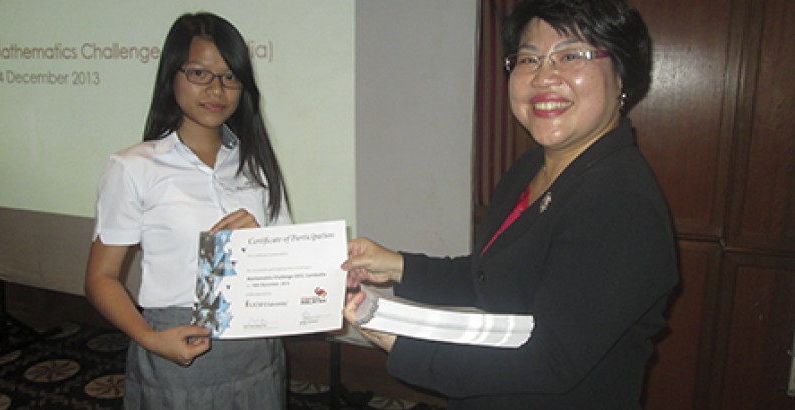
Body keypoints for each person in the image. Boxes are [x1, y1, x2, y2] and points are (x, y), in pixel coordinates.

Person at [341, 0, 677, 408]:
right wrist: (395, 265)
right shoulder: (534, 165)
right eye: (529, 59)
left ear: (622, 74)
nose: (544, 77)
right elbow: (495, 277)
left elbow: (547, 361)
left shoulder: (620, 204)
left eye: (571, 55)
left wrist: (397, 340)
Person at [85, 12, 291, 410]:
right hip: (174, 345)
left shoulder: (256, 165)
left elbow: (286, 266)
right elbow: (101, 278)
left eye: (230, 76)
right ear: (171, 77)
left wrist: (261, 246)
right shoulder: (134, 167)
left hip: (257, 350)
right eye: (200, 73)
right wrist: (150, 338)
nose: (217, 89)